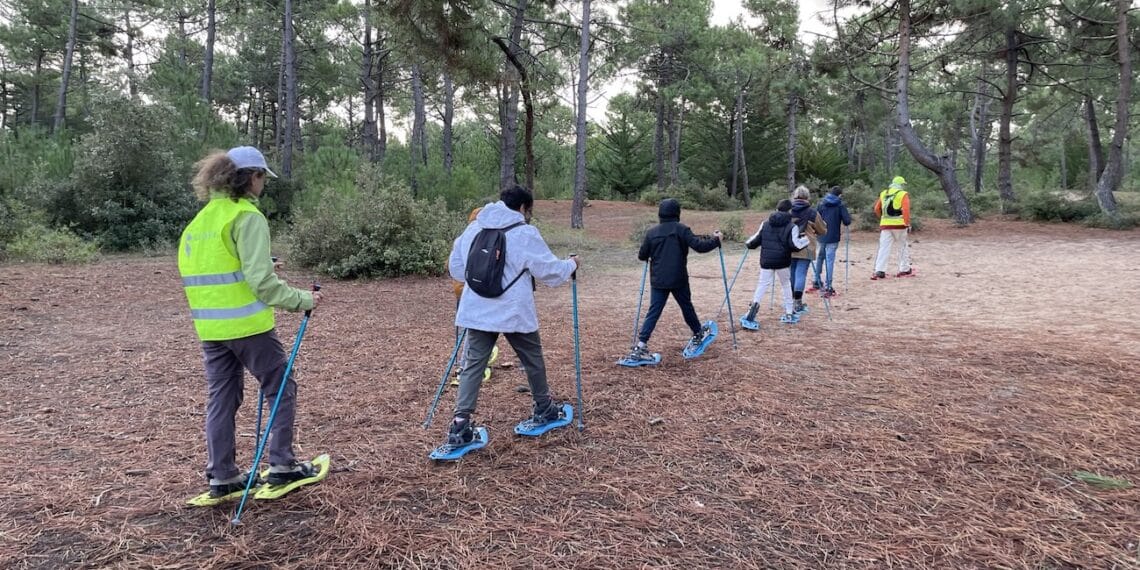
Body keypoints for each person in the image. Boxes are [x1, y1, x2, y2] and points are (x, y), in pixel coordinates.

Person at [177, 146, 323, 500]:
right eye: (261, 177)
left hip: (211, 330)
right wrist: (303, 299)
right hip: (249, 328)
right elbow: (261, 284)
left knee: (222, 399)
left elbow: (218, 271)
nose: (263, 184)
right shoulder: (247, 217)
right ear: (248, 177)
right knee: (282, 388)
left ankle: (223, 476)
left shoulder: (201, 221)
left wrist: (263, 265)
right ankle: (282, 467)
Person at [443, 184, 579, 449]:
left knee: (473, 365)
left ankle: (460, 427)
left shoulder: (474, 228)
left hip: (477, 309)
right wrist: (572, 264)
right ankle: (544, 409)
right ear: (522, 207)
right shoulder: (524, 233)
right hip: (514, 310)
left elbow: (456, 269)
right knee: (532, 359)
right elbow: (550, 272)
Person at [623, 198, 722, 364]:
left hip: (658, 280)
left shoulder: (652, 232)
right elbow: (699, 246)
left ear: (660, 213)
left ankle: (640, 346)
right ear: (677, 213)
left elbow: (642, 255)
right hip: (678, 278)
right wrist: (716, 240)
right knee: (686, 307)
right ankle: (698, 334)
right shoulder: (681, 229)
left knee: (653, 312)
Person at [740, 200, 809, 329]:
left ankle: (752, 310)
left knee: (762, 284)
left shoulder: (765, 223)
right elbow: (795, 245)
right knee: (786, 285)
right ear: (789, 211)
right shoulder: (792, 226)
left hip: (766, 261)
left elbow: (753, 241)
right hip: (782, 261)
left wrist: (748, 244)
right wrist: (805, 240)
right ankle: (789, 312)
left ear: (777, 209)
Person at [450, 206, 498, 386]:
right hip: (474, 290)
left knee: (472, 329)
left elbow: (453, 266)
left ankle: (470, 365)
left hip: (463, 289)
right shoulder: (485, 234)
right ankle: (470, 366)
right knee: (477, 330)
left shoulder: (464, 235)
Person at [789, 186, 827, 314]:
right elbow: (822, 230)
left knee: (792, 272)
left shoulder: (788, 210)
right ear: (807, 197)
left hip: (791, 245)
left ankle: (790, 300)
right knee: (801, 273)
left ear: (795, 196)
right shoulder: (812, 212)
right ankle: (797, 302)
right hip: (806, 246)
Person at [811, 186, 852, 297]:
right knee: (829, 260)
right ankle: (829, 286)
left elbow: (815, 216)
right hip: (833, 236)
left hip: (821, 234)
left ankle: (816, 280)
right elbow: (847, 221)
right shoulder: (840, 205)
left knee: (820, 256)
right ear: (839, 195)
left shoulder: (821, 203)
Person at [871, 175, 912, 280]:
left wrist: (883, 218)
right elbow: (906, 210)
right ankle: (904, 269)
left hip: (885, 225)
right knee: (902, 246)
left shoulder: (884, 193)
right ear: (901, 185)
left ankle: (879, 270)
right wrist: (907, 223)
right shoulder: (903, 194)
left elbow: (876, 208)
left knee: (884, 248)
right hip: (900, 225)